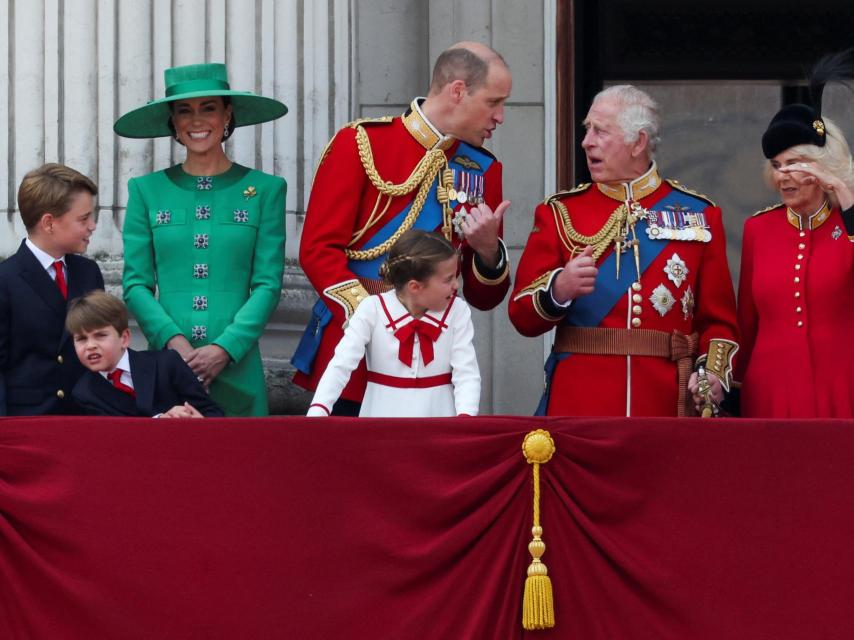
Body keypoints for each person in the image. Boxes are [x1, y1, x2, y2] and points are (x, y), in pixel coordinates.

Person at [294, 41, 512, 415]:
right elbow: (317, 250)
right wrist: (376, 319)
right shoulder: (361, 143)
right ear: (458, 91)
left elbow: (483, 297)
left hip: (432, 364)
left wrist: (489, 251)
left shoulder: (482, 170)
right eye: (494, 102)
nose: (500, 117)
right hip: (356, 353)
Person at [509, 85, 739, 417]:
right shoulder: (560, 213)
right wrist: (558, 290)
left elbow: (719, 322)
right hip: (581, 403)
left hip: (664, 402)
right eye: (587, 130)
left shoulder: (699, 214)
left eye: (600, 131)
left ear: (638, 142)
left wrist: (713, 373)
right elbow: (521, 316)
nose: (587, 141)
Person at [114, 63, 288, 416]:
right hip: (166, 365)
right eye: (184, 111)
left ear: (227, 115)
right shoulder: (145, 191)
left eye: (208, 108)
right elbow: (135, 284)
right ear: (173, 123)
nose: (197, 121)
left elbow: (267, 284)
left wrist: (225, 347)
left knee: (244, 466)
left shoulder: (266, 191)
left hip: (237, 365)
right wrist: (174, 343)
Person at [735, 51, 854, 418]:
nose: (784, 175)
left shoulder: (846, 224)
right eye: (777, 166)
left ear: (824, 169)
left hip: (843, 385)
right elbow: (746, 323)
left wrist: (845, 194)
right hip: (770, 391)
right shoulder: (759, 229)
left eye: (796, 165)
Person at [307, 230, 480, 417]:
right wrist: (318, 412)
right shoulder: (372, 309)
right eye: (448, 279)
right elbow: (341, 364)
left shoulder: (458, 311)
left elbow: (466, 374)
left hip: (439, 425)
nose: (456, 285)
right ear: (415, 286)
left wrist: (465, 419)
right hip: (379, 424)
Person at [0, 163, 104, 415]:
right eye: (83, 218)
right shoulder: (5, 280)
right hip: (28, 424)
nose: (93, 225)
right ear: (49, 223)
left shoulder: (89, 272)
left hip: (85, 420)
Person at [66, 291, 223, 418]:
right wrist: (161, 420)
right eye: (81, 339)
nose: (90, 346)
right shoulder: (84, 393)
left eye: (100, 335)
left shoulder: (167, 363)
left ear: (125, 338)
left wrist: (197, 419)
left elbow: (212, 413)